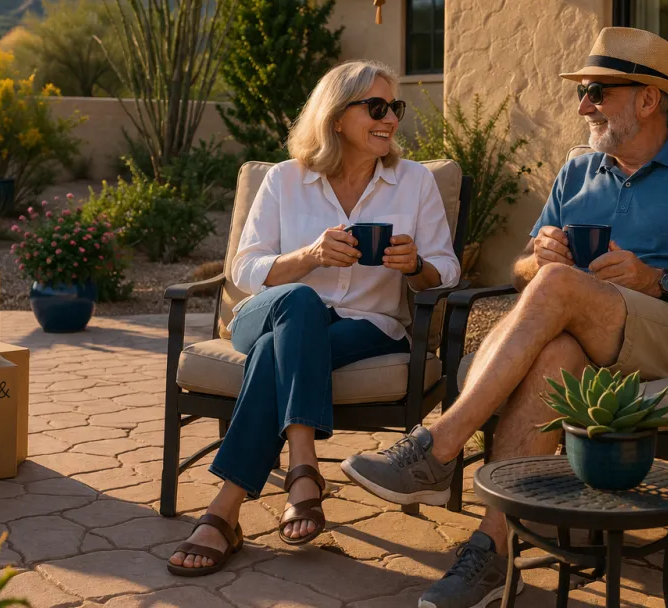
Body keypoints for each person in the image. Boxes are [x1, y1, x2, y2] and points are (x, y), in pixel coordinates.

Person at [341, 27, 668, 608]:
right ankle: (490, 554)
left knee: (560, 284)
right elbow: (521, 272)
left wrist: (657, 279)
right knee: (555, 347)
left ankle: (439, 446)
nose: (583, 105)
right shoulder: (578, 172)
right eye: (582, 93)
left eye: (597, 91)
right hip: (585, 335)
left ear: (647, 99)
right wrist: (535, 258)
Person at [168, 60, 461, 577]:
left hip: (367, 325)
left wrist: (416, 265)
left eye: (395, 107)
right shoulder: (286, 178)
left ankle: (226, 510)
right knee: (300, 302)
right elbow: (245, 267)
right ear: (335, 115)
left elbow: (448, 268)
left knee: (272, 356)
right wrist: (308, 257)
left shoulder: (413, 181)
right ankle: (303, 457)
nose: (390, 118)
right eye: (375, 107)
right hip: (265, 313)